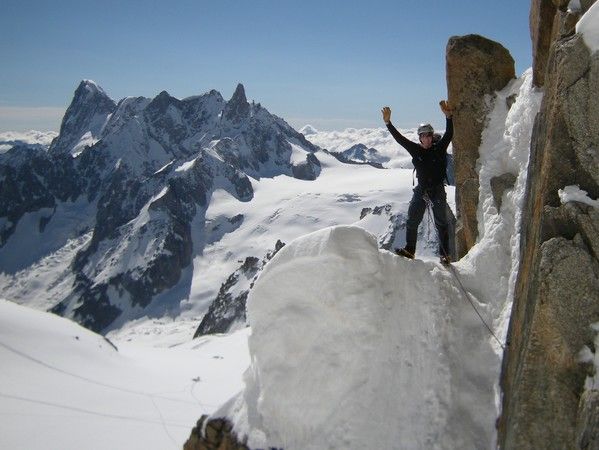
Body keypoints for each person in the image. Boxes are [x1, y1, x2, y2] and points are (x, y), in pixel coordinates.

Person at [381, 101, 453, 265]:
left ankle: (445, 255)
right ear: (420, 138)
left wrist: (449, 117)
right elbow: (400, 139)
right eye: (423, 136)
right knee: (412, 220)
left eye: (429, 135)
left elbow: (449, 134)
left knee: (441, 222)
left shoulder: (439, 148)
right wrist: (388, 123)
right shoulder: (416, 149)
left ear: (431, 136)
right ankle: (410, 250)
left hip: (437, 190)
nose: (426, 138)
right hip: (421, 190)